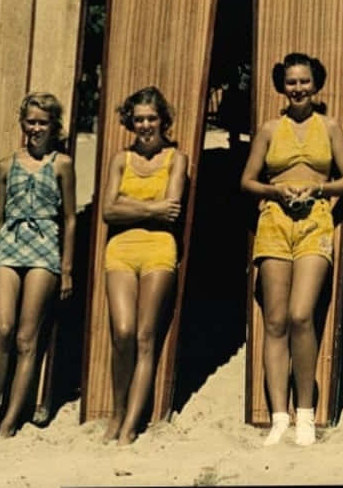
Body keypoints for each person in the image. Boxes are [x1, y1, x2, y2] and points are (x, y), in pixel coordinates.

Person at [240, 53, 343, 447]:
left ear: (316, 84)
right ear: (281, 86)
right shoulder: (270, 129)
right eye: (291, 82)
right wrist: (276, 190)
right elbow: (247, 181)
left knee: (301, 315)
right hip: (273, 221)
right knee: (274, 321)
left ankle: (305, 411)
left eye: (304, 81)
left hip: (316, 222)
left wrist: (319, 189)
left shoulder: (330, 127)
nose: (298, 89)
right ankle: (278, 415)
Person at [0, 92, 76, 442]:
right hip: (8, 247)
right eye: (31, 121)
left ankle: (10, 422)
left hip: (44, 249)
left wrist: (66, 268)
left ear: (54, 127)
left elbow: (69, 219)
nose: (36, 128)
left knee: (26, 338)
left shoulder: (62, 164)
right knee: (3, 329)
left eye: (43, 122)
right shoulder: (6, 165)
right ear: (22, 122)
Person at [101, 86, 188, 445]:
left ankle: (131, 425)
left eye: (151, 118)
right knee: (122, 332)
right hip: (120, 249)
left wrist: (130, 206)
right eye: (139, 119)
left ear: (162, 120)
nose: (145, 125)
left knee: (145, 336)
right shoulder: (120, 160)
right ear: (129, 122)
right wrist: (151, 209)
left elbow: (173, 209)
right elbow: (108, 211)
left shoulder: (175, 159)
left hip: (159, 250)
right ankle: (117, 411)